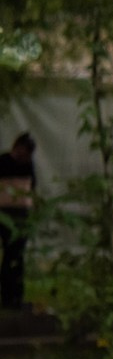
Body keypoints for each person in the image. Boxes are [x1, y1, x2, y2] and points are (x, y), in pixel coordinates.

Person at [0, 133, 35, 311]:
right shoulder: (3, 162)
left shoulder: (28, 165)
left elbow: (32, 186)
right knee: (9, 256)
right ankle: (7, 296)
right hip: (5, 215)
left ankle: (16, 296)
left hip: (21, 215)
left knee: (17, 256)